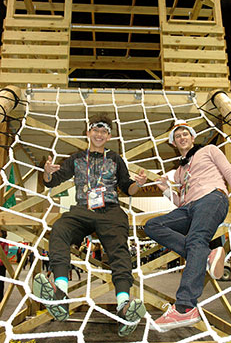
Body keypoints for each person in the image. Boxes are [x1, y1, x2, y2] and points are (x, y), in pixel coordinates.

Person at [33, 113, 147, 337]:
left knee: (119, 250)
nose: (99, 134)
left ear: (109, 136)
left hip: (111, 211)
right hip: (82, 210)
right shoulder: (75, 158)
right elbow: (52, 182)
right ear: (88, 133)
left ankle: (124, 305)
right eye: (95, 130)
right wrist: (46, 173)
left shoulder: (115, 159)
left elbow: (127, 187)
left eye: (104, 131)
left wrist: (138, 185)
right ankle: (60, 293)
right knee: (59, 230)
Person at [145, 119, 231, 331]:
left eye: (185, 134)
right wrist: (165, 189)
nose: (182, 137)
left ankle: (184, 308)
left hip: (212, 198)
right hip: (189, 208)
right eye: (177, 136)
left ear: (192, 137)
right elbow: (181, 202)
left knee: (196, 240)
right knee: (152, 225)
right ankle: (207, 255)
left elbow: (229, 172)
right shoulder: (181, 171)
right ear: (173, 143)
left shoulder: (209, 150)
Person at [0, 229, 8, 302]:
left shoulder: (5, 243)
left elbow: (5, 253)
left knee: (1, 283)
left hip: (1, 266)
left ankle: (0, 298)